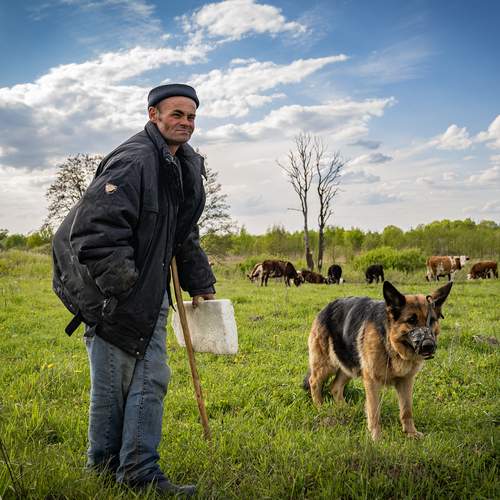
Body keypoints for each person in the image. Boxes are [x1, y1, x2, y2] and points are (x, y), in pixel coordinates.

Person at [52, 84, 216, 496]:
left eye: (191, 116)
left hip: (149, 292)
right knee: (114, 387)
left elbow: (182, 231)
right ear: (153, 115)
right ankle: (104, 471)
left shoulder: (182, 165)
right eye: (177, 114)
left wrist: (200, 281)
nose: (186, 123)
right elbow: (95, 232)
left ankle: (139, 473)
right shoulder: (133, 161)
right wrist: (123, 289)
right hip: (110, 296)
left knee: (150, 379)